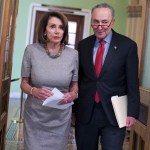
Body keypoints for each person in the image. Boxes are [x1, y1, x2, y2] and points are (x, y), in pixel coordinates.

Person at [74, 3, 140, 150]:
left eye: (104, 22)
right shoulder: (83, 45)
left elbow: (132, 83)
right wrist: (73, 110)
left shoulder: (127, 46)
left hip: (115, 113)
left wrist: (132, 113)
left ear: (112, 22)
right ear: (91, 22)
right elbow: (78, 79)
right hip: (86, 112)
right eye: (96, 21)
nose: (100, 26)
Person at [20, 11, 78, 150]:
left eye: (61, 27)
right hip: (35, 116)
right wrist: (34, 91)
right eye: (52, 26)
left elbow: (74, 85)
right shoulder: (31, 50)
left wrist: (72, 95)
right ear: (44, 30)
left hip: (60, 117)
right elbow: (23, 83)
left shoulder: (73, 54)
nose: (57, 31)